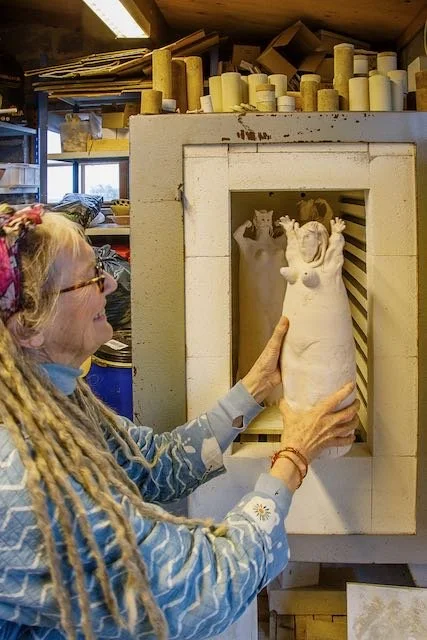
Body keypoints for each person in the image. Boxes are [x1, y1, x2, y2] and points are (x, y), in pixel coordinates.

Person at [0, 205, 359, 640]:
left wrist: (254, 388)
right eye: (90, 278)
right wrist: (294, 457)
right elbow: (203, 589)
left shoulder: (52, 395)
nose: (110, 283)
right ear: (29, 326)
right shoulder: (20, 478)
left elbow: (154, 464)